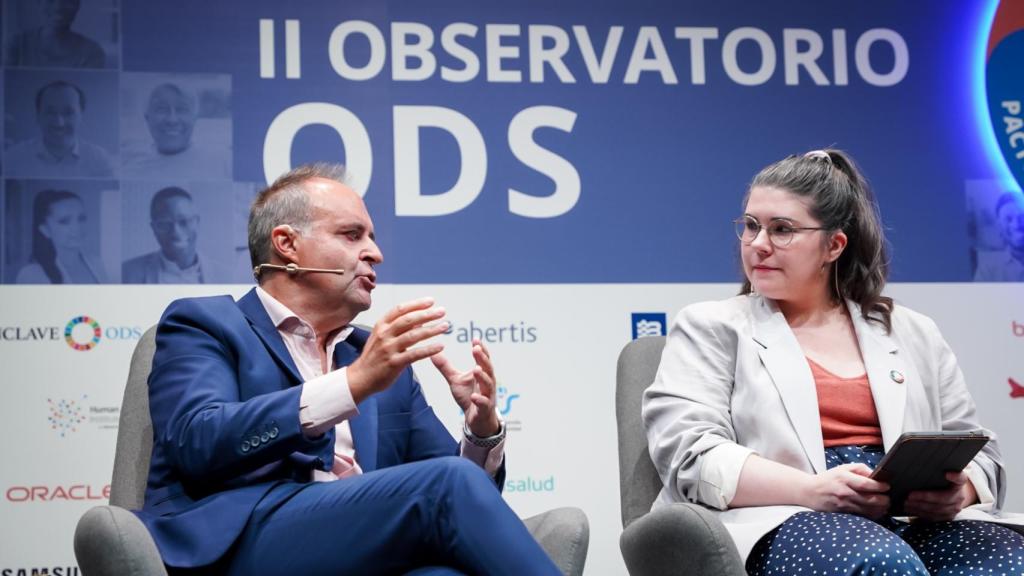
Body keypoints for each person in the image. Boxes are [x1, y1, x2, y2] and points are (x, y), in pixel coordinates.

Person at [135, 163, 560, 574]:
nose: (375, 253)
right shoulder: (204, 324)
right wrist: (352, 385)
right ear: (287, 245)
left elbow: (467, 501)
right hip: (239, 542)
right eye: (352, 235)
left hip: (359, 548)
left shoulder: (373, 357)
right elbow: (198, 440)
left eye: (371, 238)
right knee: (443, 485)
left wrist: (481, 433)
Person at [643, 149, 1024, 574]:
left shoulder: (912, 330)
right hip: (783, 513)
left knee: (1008, 561)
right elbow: (692, 457)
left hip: (911, 518)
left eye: (782, 230)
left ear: (833, 245)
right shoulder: (710, 325)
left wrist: (962, 491)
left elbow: (978, 450)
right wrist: (813, 490)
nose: (758, 244)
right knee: (879, 563)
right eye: (750, 226)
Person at [5, 80, 115, 178]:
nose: (59, 123)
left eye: (68, 113)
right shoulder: (12, 158)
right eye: (50, 112)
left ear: (81, 116)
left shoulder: (100, 161)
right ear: (38, 116)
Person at [120, 82, 231, 180]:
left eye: (182, 110)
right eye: (161, 109)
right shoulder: (128, 164)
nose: (172, 120)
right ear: (147, 117)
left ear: (195, 118)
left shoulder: (224, 161)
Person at [122, 186, 231, 284]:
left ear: (197, 222)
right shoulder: (128, 272)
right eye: (164, 224)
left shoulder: (226, 276)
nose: (176, 232)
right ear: (153, 228)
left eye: (183, 221)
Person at [15, 189, 107, 284]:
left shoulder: (97, 264)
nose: (77, 227)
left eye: (81, 218)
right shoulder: (31, 274)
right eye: (64, 221)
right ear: (45, 230)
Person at [4, 0, 106, 69]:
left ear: (77, 6)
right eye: (50, 0)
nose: (58, 7)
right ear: (39, 3)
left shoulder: (92, 51)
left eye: (67, 0)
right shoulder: (16, 44)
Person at [974, 192, 1024, 282]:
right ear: (1000, 227)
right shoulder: (987, 269)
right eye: (1008, 219)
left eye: (1022, 217)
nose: (1016, 225)